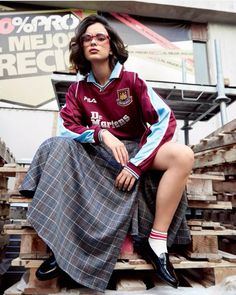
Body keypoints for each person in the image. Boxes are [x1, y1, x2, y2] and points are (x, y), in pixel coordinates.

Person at [19, 14, 194, 292]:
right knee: (55, 146)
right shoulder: (78, 90)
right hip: (99, 153)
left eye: (100, 37)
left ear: (111, 46)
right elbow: (67, 127)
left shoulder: (133, 81)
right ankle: (60, 247)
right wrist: (101, 133)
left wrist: (136, 165)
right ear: (81, 48)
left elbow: (165, 120)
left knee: (183, 155)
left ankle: (156, 243)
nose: (93, 42)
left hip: (135, 151)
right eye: (87, 38)